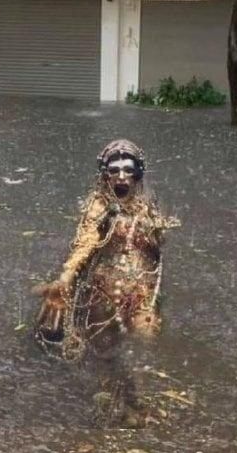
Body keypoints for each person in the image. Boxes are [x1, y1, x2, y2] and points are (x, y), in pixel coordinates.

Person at [35, 139, 179, 426]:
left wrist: (158, 230)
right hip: (103, 293)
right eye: (115, 169)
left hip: (141, 293)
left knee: (143, 343)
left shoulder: (146, 205)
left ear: (138, 173)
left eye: (129, 169)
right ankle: (113, 403)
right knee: (107, 353)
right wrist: (65, 278)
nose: (122, 176)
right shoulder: (98, 206)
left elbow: (158, 246)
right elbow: (85, 242)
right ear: (105, 174)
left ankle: (138, 402)